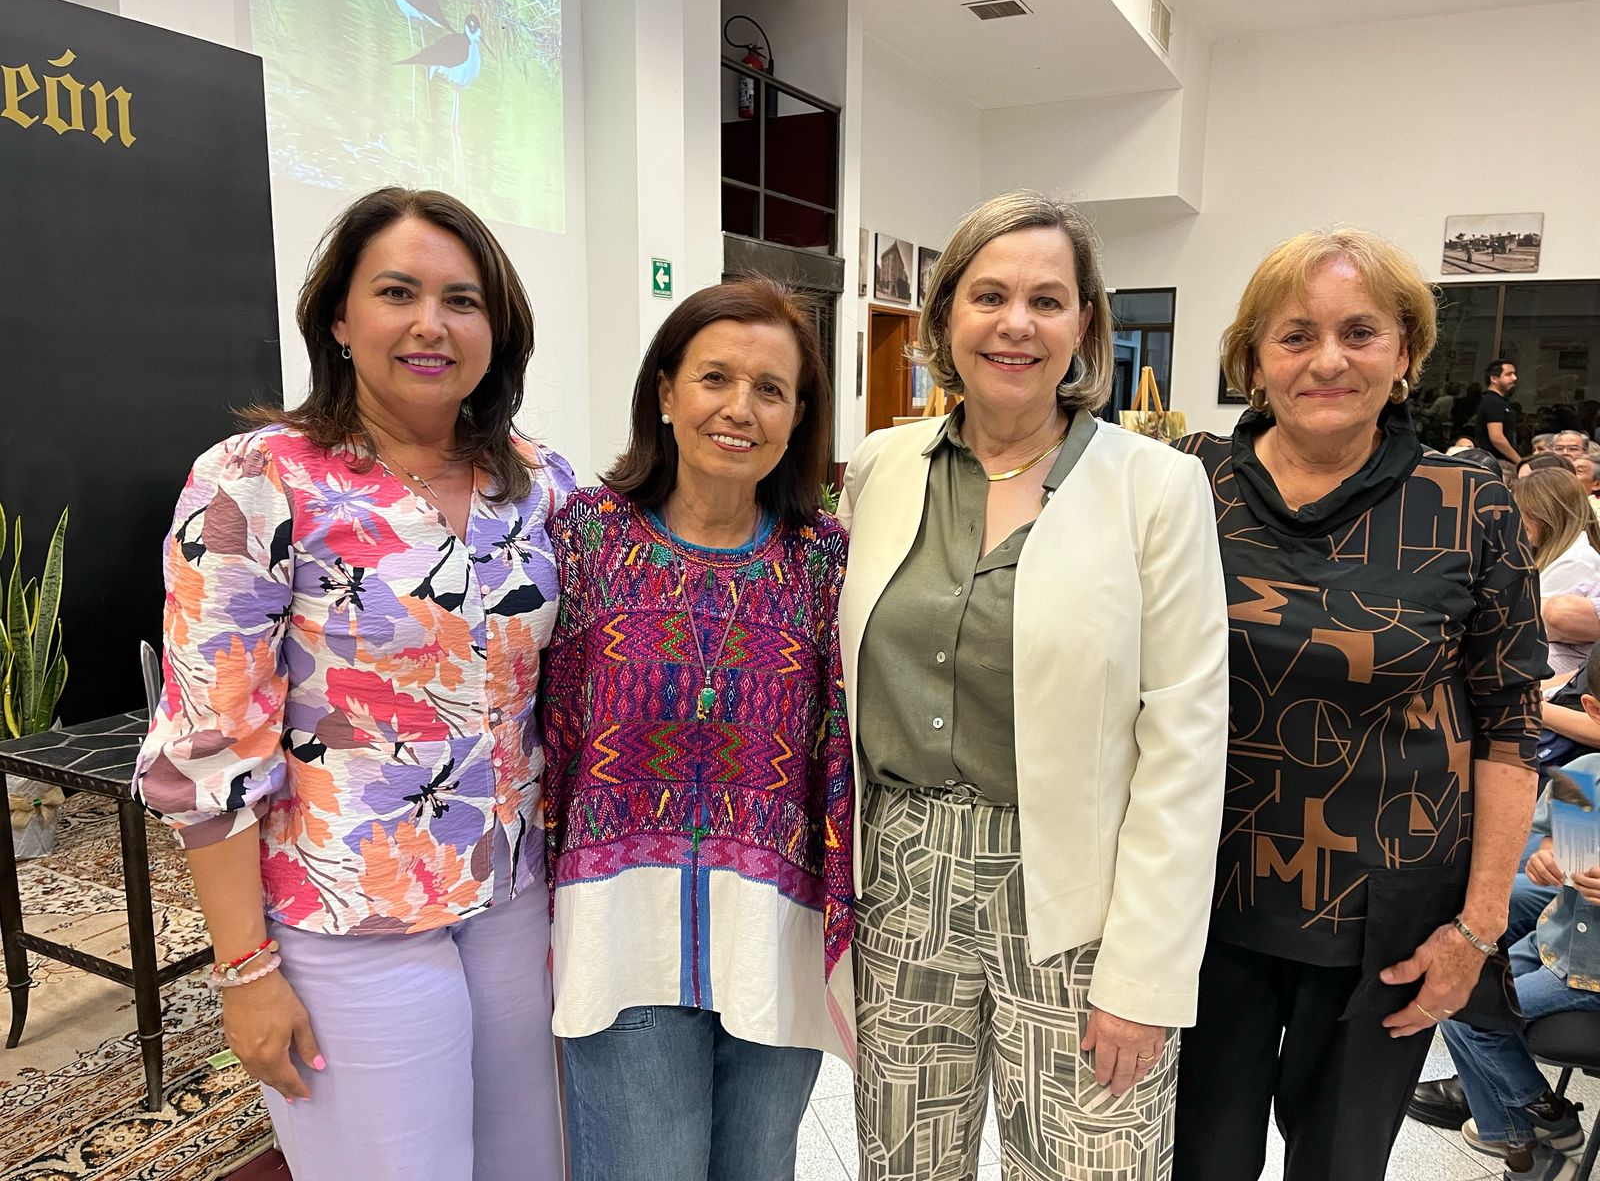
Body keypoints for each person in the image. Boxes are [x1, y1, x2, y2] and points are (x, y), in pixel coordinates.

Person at [133, 188, 570, 1181]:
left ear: (497, 328)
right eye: (397, 293)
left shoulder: (538, 482)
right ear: (339, 317)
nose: (431, 324)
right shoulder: (257, 478)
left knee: (535, 1164)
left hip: (514, 896)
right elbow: (209, 741)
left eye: (462, 300)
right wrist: (244, 971)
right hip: (345, 912)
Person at [838, 189, 1230, 1180]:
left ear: (1083, 325)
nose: (1015, 323)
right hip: (900, 879)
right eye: (988, 296)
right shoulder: (883, 467)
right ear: (945, 318)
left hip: (1078, 894)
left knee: (1088, 1162)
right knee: (904, 1161)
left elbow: (1186, 745)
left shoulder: (1156, 487)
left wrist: (1144, 974)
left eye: (1046, 301)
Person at [1172, 228, 1548, 1181]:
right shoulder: (1187, 483)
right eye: (1296, 335)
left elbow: (1510, 731)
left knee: (1339, 1167)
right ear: (1254, 357)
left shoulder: (1470, 504)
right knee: (1193, 1162)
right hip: (1195, 904)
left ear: (1405, 351)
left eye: (1360, 332)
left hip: (1390, 922)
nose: (1328, 360)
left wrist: (1477, 931)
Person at [540, 278, 853, 1181]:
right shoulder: (586, 539)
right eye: (715, 378)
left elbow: (840, 751)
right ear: (667, 392)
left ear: (797, 419)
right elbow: (547, 727)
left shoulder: (824, 562)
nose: (740, 408)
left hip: (773, 940)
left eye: (771, 389)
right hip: (620, 941)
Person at [1437, 645, 1600, 1178]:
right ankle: (1533, 1125)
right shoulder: (1585, 775)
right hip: (1555, 940)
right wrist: (1548, 861)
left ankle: (1531, 1133)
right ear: (1594, 711)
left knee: (1468, 1012)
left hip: (1590, 973)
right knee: (1456, 997)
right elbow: (1560, 853)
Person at [1513, 469, 1600, 674]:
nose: (1518, 521)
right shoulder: (1557, 555)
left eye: (1522, 511)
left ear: (1545, 514)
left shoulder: (1576, 562)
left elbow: (1532, 627)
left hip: (1560, 682)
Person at [1473, 359, 1522, 481]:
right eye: (1508, 374)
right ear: (1494, 378)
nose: (1514, 378)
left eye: (1514, 374)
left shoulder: (1499, 401)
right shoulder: (1493, 402)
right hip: (1497, 464)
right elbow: (1497, 437)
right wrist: (1520, 462)